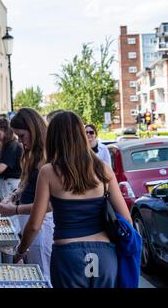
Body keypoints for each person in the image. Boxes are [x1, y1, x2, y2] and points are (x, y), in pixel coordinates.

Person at [16, 111, 132, 288]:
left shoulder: (48, 172)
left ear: (53, 138)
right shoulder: (104, 170)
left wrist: (21, 251)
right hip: (104, 255)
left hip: (69, 255)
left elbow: (34, 225)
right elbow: (127, 220)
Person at [0, 108, 54, 281]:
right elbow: (25, 184)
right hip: (30, 225)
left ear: (33, 130)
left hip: (41, 227)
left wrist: (14, 210)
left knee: (43, 277)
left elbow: (50, 204)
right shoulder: (32, 155)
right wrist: (13, 196)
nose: (21, 142)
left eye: (22, 136)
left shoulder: (48, 156)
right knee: (35, 276)